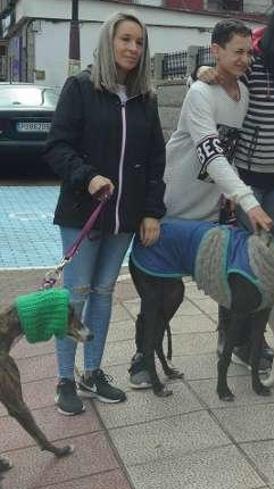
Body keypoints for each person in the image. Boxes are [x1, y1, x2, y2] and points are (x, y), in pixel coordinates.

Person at [128, 19, 267, 387]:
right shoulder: (200, 94)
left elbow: (229, 151)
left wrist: (230, 196)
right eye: (236, 51)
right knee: (162, 291)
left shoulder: (244, 94)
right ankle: (142, 358)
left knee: (226, 278)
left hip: (210, 211)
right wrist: (247, 198)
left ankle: (231, 342)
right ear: (216, 50)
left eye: (247, 52)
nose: (244, 59)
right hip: (173, 206)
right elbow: (210, 151)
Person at [44, 12, 165, 415]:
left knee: (104, 293)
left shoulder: (146, 98)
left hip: (124, 219)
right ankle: (64, 377)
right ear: (108, 42)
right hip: (84, 213)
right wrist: (88, 176)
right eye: (125, 39)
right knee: (75, 295)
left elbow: (154, 162)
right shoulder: (80, 88)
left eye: (139, 42)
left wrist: (151, 211)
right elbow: (58, 146)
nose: (133, 48)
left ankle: (91, 371)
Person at [197, 2, 274, 364]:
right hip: (250, 182)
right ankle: (233, 338)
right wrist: (201, 69)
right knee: (244, 262)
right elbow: (220, 79)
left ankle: (253, 339)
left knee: (273, 263)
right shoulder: (254, 64)